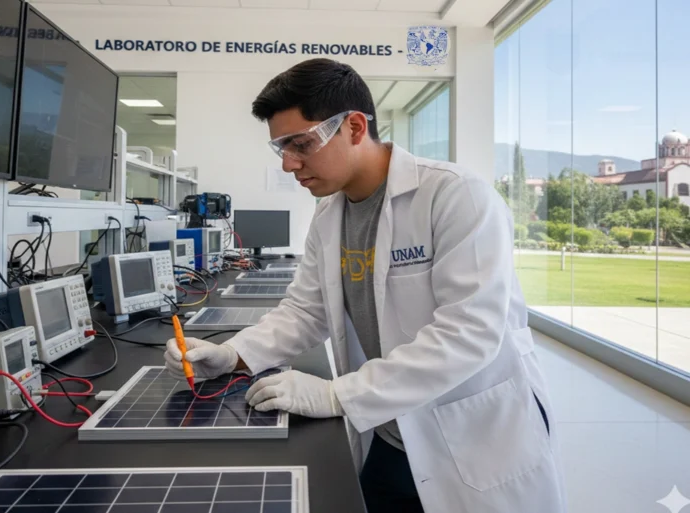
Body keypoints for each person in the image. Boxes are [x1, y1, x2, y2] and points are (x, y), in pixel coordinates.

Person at [165, 58, 567, 513]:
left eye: (301, 143)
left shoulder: (456, 196)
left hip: (472, 433)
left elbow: (469, 333)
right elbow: (305, 311)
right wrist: (235, 354)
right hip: (386, 430)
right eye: (281, 149)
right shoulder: (329, 212)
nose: (289, 164)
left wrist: (337, 394)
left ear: (354, 127)